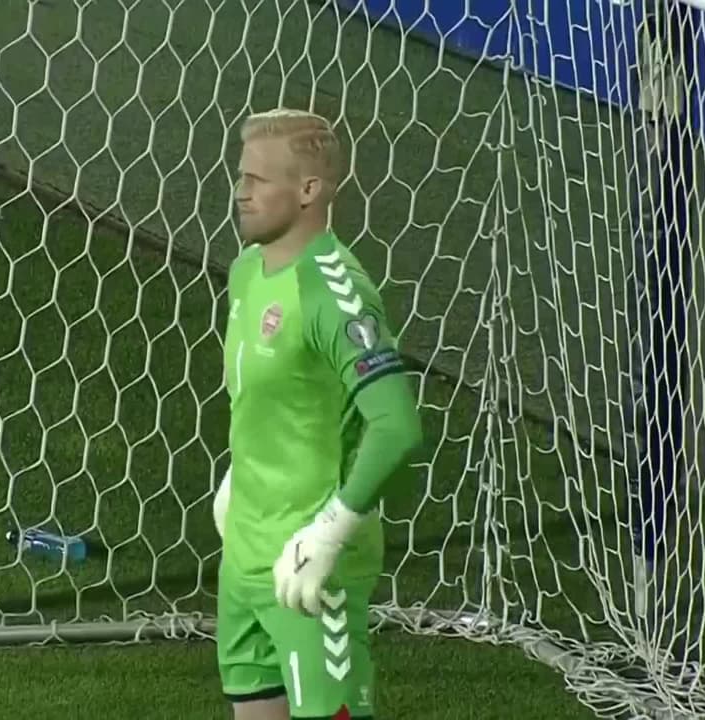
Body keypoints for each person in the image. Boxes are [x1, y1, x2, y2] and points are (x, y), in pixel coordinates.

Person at [212, 108, 424, 720]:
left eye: (257, 180)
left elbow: (397, 426)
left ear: (308, 190)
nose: (240, 191)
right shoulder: (247, 272)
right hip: (243, 556)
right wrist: (239, 478)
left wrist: (329, 533)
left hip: (308, 570)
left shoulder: (335, 293)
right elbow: (275, 400)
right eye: (240, 176)